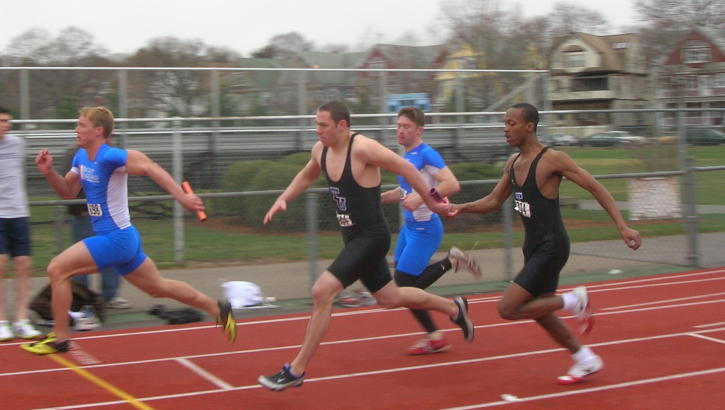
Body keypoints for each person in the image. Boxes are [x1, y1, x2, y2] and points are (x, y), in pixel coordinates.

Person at [258, 100, 474, 391]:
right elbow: (308, 174)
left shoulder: (363, 148)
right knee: (391, 298)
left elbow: (407, 170)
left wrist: (433, 203)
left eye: (323, 125)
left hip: (371, 237)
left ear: (342, 125)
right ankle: (453, 308)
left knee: (322, 291)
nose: (317, 129)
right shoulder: (320, 149)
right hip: (351, 236)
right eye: (316, 123)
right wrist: (284, 197)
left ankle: (296, 370)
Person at [447, 103, 642, 384]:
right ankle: (585, 359)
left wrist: (622, 225)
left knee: (507, 308)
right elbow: (493, 201)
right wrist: (461, 207)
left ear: (530, 126)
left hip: (552, 246)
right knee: (541, 311)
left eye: (511, 123)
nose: (505, 128)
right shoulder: (513, 163)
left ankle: (574, 300)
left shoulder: (553, 159)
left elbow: (594, 187)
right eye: (504, 122)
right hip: (533, 247)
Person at [21, 106, 236, 354]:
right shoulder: (81, 157)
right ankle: (218, 308)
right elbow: (67, 191)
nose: (76, 129)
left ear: (98, 130)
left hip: (116, 238)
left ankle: (59, 338)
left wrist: (182, 199)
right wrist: (48, 172)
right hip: (120, 239)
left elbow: (150, 167)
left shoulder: (111, 156)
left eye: (81, 125)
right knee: (158, 288)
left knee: (57, 269)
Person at [380, 106, 481, 355]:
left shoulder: (427, 154)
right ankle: (434, 336)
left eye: (406, 127)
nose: (400, 131)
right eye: (398, 126)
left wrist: (424, 199)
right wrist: (377, 198)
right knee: (405, 288)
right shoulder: (405, 156)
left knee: (403, 289)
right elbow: (405, 193)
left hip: (426, 230)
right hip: (409, 228)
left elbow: (451, 184)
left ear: (419, 130)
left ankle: (452, 262)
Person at [63, 144, 131, 311]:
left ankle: (109, 295)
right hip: (84, 215)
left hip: (106, 218)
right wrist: (78, 209)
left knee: (110, 256)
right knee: (80, 260)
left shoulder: (111, 154)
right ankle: (81, 296)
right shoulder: (76, 154)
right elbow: (67, 186)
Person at [0, 106, 42, 341]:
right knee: (1, 263)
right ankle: (2, 321)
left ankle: (21, 319)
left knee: (24, 263)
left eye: (9, 121)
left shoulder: (17, 144)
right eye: (2, 121)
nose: (6, 125)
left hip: (18, 212)